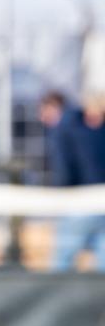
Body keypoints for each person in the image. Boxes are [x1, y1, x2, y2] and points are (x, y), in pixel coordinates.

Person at [44, 91, 105, 271]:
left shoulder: (67, 128)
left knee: (63, 260)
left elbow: (63, 168)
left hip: (81, 205)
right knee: (65, 258)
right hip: (79, 203)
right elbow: (64, 168)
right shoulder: (70, 128)